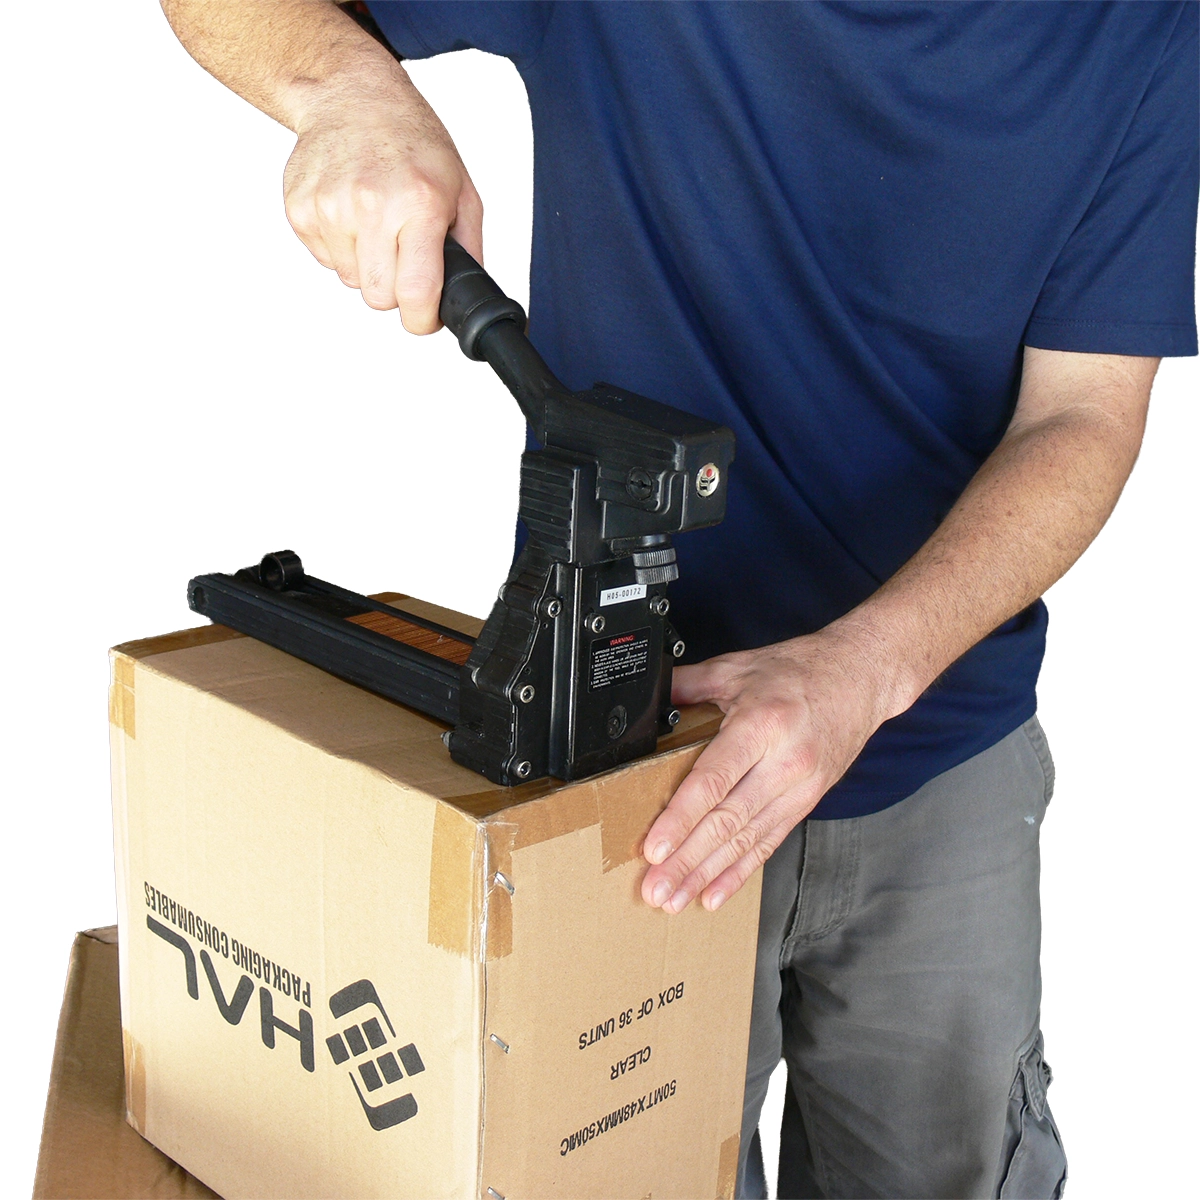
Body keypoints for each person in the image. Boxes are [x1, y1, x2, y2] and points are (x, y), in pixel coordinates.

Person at [161, 2, 1198, 1196]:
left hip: (947, 763)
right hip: (623, 762)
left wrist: (864, 671)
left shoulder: (1147, 26)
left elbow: (1084, 414)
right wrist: (347, 93)